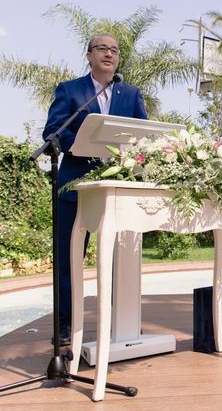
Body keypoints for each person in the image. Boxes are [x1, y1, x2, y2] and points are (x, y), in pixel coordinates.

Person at [42, 34, 148, 345]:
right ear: (89, 55)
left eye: (114, 50)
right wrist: (79, 140)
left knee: (123, 257)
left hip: (117, 187)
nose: (109, 53)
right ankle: (65, 325)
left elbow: (144, 136)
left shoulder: (130, 94)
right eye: (102, 48)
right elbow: (53, 132)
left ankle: (125, 322)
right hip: (75, 185)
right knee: (67, 259)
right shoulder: (71, 91)